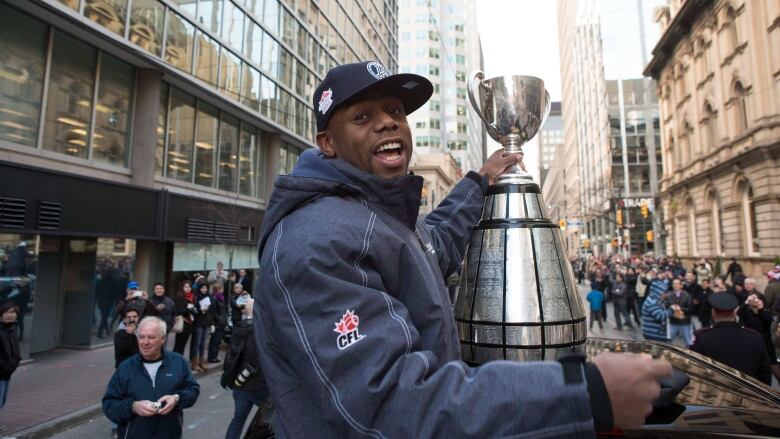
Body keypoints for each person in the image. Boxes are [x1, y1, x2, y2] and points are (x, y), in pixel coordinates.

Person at [252, 61, 671, 437]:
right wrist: (585, 392)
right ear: (328, 143)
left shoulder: (381, 213)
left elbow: (434, 246)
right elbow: (390, 404)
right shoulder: (315, 242)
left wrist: (480, 180)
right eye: (363, 117)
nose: (387, 124)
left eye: (395, 112)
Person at [103, 317, 200, 439]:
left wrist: (177, 399)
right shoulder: (125, 368)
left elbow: (193, 390)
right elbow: (109, 404)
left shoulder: (178, 362)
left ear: (163, 339)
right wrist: (133, 407)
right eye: (141, 337)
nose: (145, 342)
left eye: (151, 337)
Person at [691, 293, 771, 384]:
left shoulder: (702, 336)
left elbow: (694, 367)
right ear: (734, 313)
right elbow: (765, 372)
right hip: (748, 393)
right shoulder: (755, 337)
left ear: (713, 312)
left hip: (713, 392)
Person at [222, 297, 273, 439]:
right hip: (258, 386)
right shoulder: (258, 330)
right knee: (274, 420)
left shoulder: (239, 327)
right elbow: (256, 360)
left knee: (238, 420)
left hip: (239, 385)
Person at [0, 302, 21, 411]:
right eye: (6, 312)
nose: (9, 315)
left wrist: (15, 362)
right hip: (2, 372)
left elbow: (16, 352)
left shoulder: (12, 330)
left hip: (7, 373)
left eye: (12, 312)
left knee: (2, 401)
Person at [642, 271, 673, 342]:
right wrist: (671, 309)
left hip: (656, 333)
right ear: (658, 291)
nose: (666, 294)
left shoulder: (656, 300)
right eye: (664, 292)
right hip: (653, 334)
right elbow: (660, 316)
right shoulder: (652, 302)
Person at [190, 283, 213, 372]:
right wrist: (200, 310)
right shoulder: (196, 297)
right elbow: (194, 310)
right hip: (198, 322)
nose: (204, 290)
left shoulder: (208, 297)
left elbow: (211, 311)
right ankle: (194, 362)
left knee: (203, 343)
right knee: (197, 343)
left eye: (205, 288)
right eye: (202, 288)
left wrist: (211, 323)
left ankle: (202, 361)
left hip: (206, 322)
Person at [666, 278, 694, 346]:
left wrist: (680, 309)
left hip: (685, 323)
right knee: (668, 343)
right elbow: (666, 306)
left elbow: (690, 308)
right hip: (673, 322)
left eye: (677, 284)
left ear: (681, 286)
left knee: (689, 343)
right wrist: (671, 308)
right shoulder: (669, 295)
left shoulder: (687, 295)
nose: (675, 285)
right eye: (674, 284)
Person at [172, 281, 195, 362]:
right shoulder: (179, 296)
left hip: (189, 322)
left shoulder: (192, 297)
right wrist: (188, 309)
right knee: (178, 344)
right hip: (182, 322)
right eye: (185, 287)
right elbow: (178, 311)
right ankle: (174, 361)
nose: (188, 289)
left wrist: (194, 309)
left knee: (183, 344)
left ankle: (179, 360)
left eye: (189, 287)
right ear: (182, 288)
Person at [207, 284, 227, 364]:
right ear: (218, 289)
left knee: (217, 341)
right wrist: (219, 319)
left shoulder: (220, 298)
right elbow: (213, 311)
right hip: (217, 323)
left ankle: (214, 356)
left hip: (221, 322)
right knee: (215, 341)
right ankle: (212, 357)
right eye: (221, 288)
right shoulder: (214, 298)